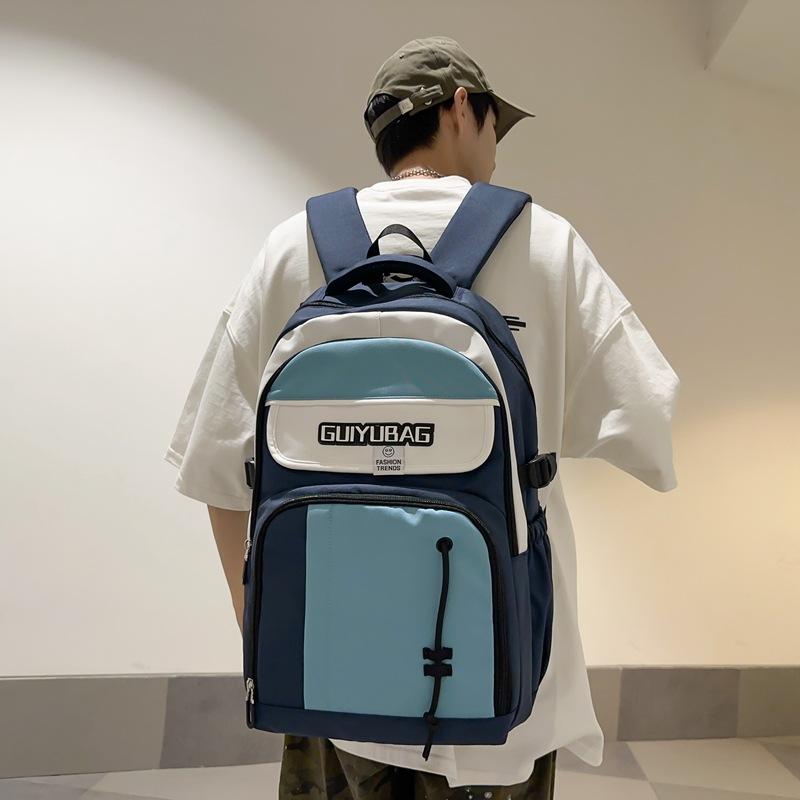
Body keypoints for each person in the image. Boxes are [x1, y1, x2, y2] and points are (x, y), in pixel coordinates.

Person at [164, 35, 680, 800]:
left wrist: (265, 635)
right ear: (462, 109)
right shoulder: (546, 244)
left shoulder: (292, 247)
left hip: (333, 682)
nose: (496, 150)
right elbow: (649, 420)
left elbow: (214, 466)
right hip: (505, 683)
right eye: (496, 125)